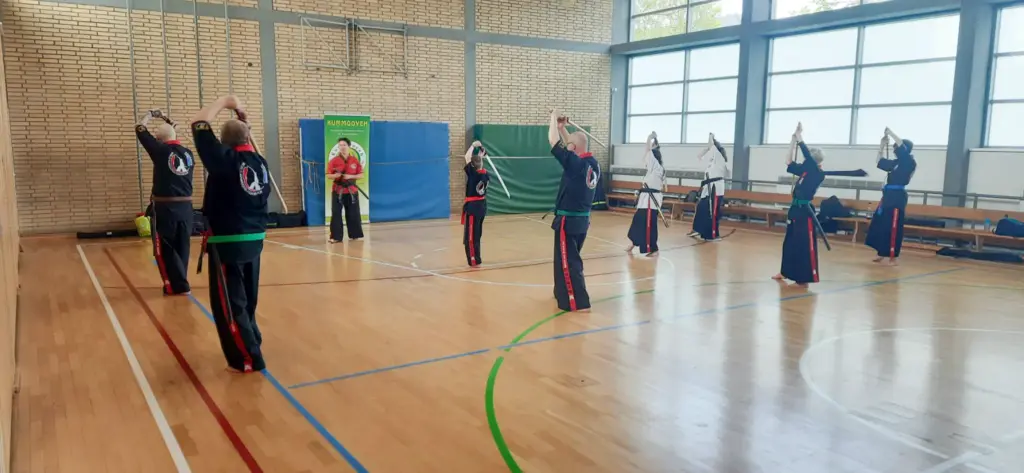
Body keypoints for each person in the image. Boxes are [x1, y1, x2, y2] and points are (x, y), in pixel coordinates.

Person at [190, 95, 269, 373]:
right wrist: (242, 119)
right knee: (247, 299)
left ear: (224, 142)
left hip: (229, 241)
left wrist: (226, 102)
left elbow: (199, 122)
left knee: (230, 303)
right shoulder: (260, 162)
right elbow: (245, 140)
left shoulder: (225, 159)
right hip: (255, 239)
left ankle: (247, 357)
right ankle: (252, 340)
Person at [135, 109, 195, 295]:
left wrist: (150, 115)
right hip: (186, 208)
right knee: (182, 246)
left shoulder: (160, 151)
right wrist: (166, 120)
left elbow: (139, 128)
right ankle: (181, 281)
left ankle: (177, 285)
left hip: (166, 209)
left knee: (165, 248)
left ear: (159, 140)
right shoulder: (188, 153)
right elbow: (172, 134)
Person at [548, 110, 600, 312]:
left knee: (569, 261)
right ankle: (562, 292)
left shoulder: (577, 165)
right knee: (567, 258)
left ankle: (577, 301)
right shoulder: (592, 165)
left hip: (569, 222)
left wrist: (552, 118)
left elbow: (553, 142)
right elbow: (574, 145)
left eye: (571, 145)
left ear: (575, 148)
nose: (568, 146)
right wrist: (563, 129)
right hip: (582, 221)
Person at [773, 123, 826, 287]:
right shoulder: (805, 171)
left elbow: (807, 157)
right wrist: (792, 139)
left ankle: (804, 277)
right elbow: (788, 161)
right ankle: (785, 271)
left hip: (805, 212)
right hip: (795, 209)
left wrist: (800, 138)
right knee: (789, 241)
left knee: (803, 243)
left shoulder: (818, 173)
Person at [865, 127, 916, 265]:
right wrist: (882, 144)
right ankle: (881, 252)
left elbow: (901, 145)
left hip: (897, 198)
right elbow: (879, 161)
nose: (894, 150)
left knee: (893, 226)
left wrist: (891, 133)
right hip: (887, 196)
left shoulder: (909, 162)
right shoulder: (895, 163)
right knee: (881, 224)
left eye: (896, 148)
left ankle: (893, 256)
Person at [626, 131, 665, 256]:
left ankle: (653, 248)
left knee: (648, 224)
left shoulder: (657, 167)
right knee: (638, 220)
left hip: (651, 201)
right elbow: (648, 153)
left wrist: (649, 138)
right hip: (645, 199)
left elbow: (648, 151)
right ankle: (633, 242)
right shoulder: (651, 169)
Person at [689, 132, 730, 241]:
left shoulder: (720, 159)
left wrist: (711, 137)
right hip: (708, 189)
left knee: (712, 212)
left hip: (716, 189)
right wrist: (706, 149)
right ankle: (699, 229)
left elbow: (712, 145)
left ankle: (713, 234)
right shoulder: (711, 163)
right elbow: (700, 155)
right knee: (702, 208)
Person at [326, 137, 365, 243]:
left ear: (348, 146)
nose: (342, 147)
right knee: (336, 213)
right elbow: (328, 175)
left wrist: (350, 177)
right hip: (338, 190)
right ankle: (336, 237)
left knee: (353, 213)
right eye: (340, 145)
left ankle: (355, 234)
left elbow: (361, 175)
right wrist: (335, 175)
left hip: (352, 190)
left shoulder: (354, 160)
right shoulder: (334, 161)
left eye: (344, 145)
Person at [462, 141, 490, 266]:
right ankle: (477, 257)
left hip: (473, 208)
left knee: (471, 236)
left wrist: (473, 145)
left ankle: (473, 259)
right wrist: (481, 153)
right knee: (477, 234)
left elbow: (467, 157)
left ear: (472, 166)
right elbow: (478, 161)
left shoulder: (473, 175)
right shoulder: (485, 174)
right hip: (481, 206)